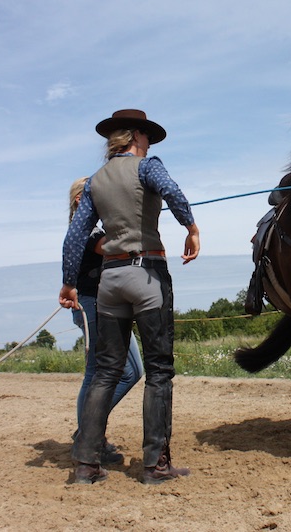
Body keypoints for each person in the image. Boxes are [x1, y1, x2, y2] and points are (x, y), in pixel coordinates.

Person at [59, 109, 201, 486]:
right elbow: (172, 191)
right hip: (147, 275)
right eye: (148, 137)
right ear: (137, 136)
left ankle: (86, 466)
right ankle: (155, 465)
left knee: (105, 372)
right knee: (158, 372)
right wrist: (190, 226)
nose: (150, 144)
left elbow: (76, 236)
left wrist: (69, 282)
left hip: (109, 282)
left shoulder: (94, 181)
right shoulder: (147, 167)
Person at [67, 177, 144, 466]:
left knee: (129, 371)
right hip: (93, 306)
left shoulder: (95, 227)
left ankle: (87, 434)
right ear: (80, 200)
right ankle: (89, 437)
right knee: (103, 373)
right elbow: (113, 248)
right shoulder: (85, 230)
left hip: (108, 305)